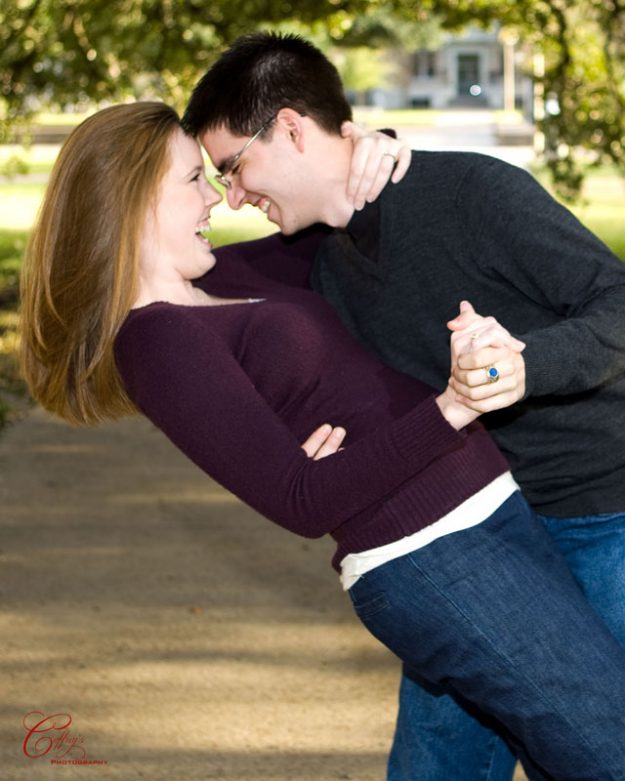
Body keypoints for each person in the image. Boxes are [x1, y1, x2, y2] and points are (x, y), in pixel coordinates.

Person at [19, 101, 625, 781]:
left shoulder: (218, 277)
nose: (217, 197)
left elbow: (333, 213)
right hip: (434, 555)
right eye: (193, 179)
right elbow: (300, 500)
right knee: (609, 744)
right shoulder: (156, 341)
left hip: (485, 523)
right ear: (131, 201)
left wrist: (372, 149)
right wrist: (450, 408)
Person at [182, 32, 625, 781]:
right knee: (434, 766)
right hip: (478, 537)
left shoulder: (472, 192)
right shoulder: (311, 254)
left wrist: (525, 364)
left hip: (601, 518)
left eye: (232, 167)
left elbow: (615, 300)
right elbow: (178, 279)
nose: (232, 196)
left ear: (290, 128)